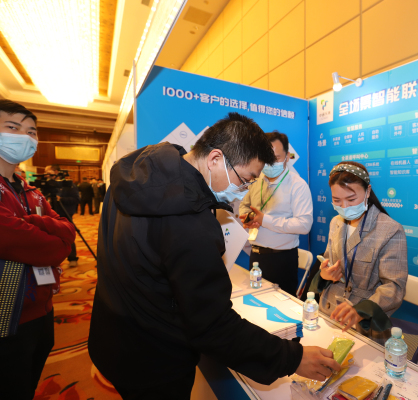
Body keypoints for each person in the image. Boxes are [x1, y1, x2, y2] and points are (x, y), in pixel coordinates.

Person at [88, 113, 339, 400]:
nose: (242, 191)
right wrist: (292, 357)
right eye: (245, 180)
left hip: (113, 336)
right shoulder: (190, 221)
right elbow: (212, 325)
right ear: (215, 159)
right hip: (156, 359)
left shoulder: (136, 175)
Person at [0, 100, 76, 400]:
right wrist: (54, 238)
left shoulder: (30, 190)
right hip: (6, 314)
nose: (25, 137)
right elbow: (29, 243)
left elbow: (67, 230)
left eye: (32, 131)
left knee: (28, 381)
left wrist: (33, 221)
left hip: (42, 305)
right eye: (13, 127)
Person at [309, 161, 407, 344]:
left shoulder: (390, 230)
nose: (344, 206)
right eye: (337, 200)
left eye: (351, 199)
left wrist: (361, 310)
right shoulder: (336, 222)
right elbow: (327, 260)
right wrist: (325, 273)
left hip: (363, 324)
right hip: (328, 311)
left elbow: (394, 287)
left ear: (367, 191)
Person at [239, 131, 313, 295]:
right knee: (255, 302)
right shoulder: (256, 180)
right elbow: (244, 205)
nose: (271, 162)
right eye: (266, 157)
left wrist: (265, 220)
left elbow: (304, 225)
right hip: (256, 257)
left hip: (282, 260)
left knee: (283, 306)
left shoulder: (297, 185)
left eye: (276, 158)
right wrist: (249, 217)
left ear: (287, 156)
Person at [45, 164, 80, 268]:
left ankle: (72, 258)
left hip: (65, 214)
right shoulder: (48, 185)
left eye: (48, 172)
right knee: (51, 237)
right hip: (51, 214)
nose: (46, 175)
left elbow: (76, 199)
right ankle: (54, 259)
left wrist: (61, 199)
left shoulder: (68, 185)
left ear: (56, 172)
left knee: (68, 236)